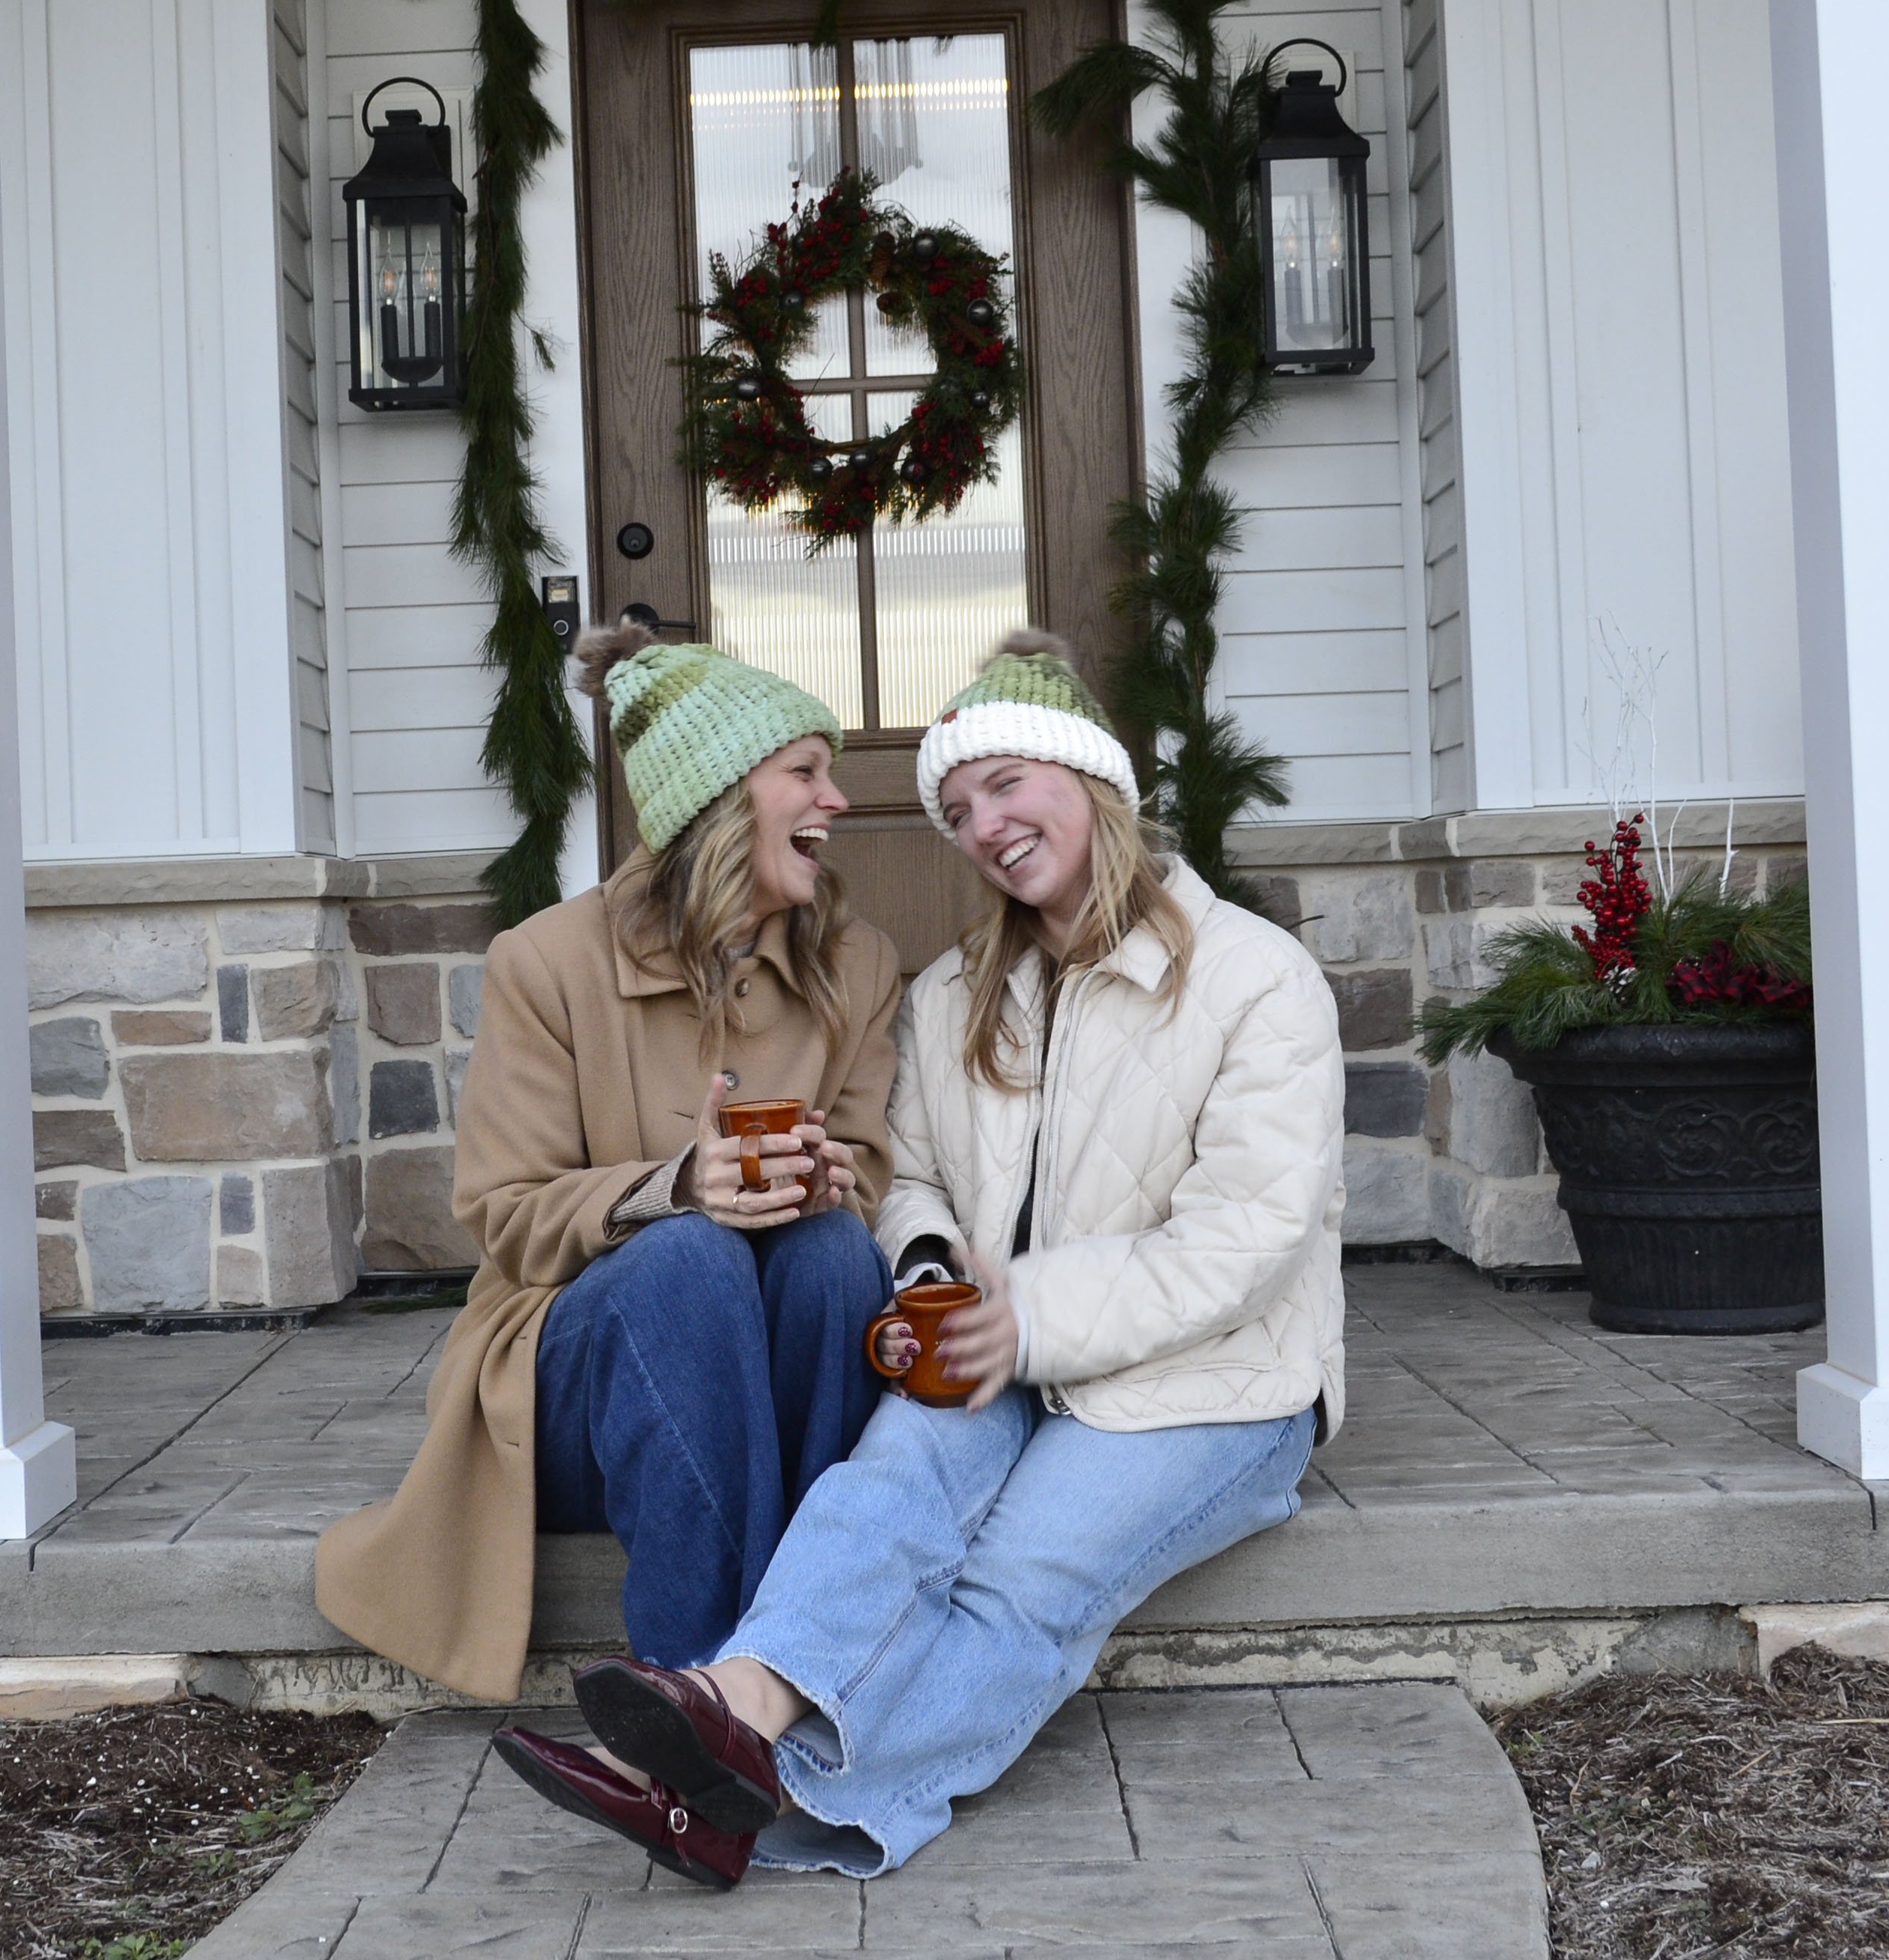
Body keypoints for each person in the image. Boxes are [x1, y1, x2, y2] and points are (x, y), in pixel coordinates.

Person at [490, 633, 1345, 1887]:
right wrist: (934, 1268)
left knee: (1014, 1580)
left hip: (1209, 1384)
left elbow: (1246, 1237)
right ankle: (724, 1710)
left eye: (1005, 785)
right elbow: (919, 1179)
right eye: (958, 811)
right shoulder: (954, 997)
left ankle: (740, 1802)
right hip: (995, 1353)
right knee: (882, 1495)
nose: (983, 826)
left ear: (1089, 777)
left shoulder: (1257, 979)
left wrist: (1026, 1318)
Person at [313, 623, 905, 1710]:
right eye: (805, 772)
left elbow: (867, 1168)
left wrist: (828, 1182)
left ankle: (779, 1678)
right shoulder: (546, 962)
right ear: (720, 797)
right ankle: (701, 1694)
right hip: (586, 1389)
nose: (837, 800)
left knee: (832, 1254)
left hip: (779, 1379)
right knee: (687, 1260)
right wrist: (674, 1187)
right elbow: (506, 1215)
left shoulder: (857, 964)